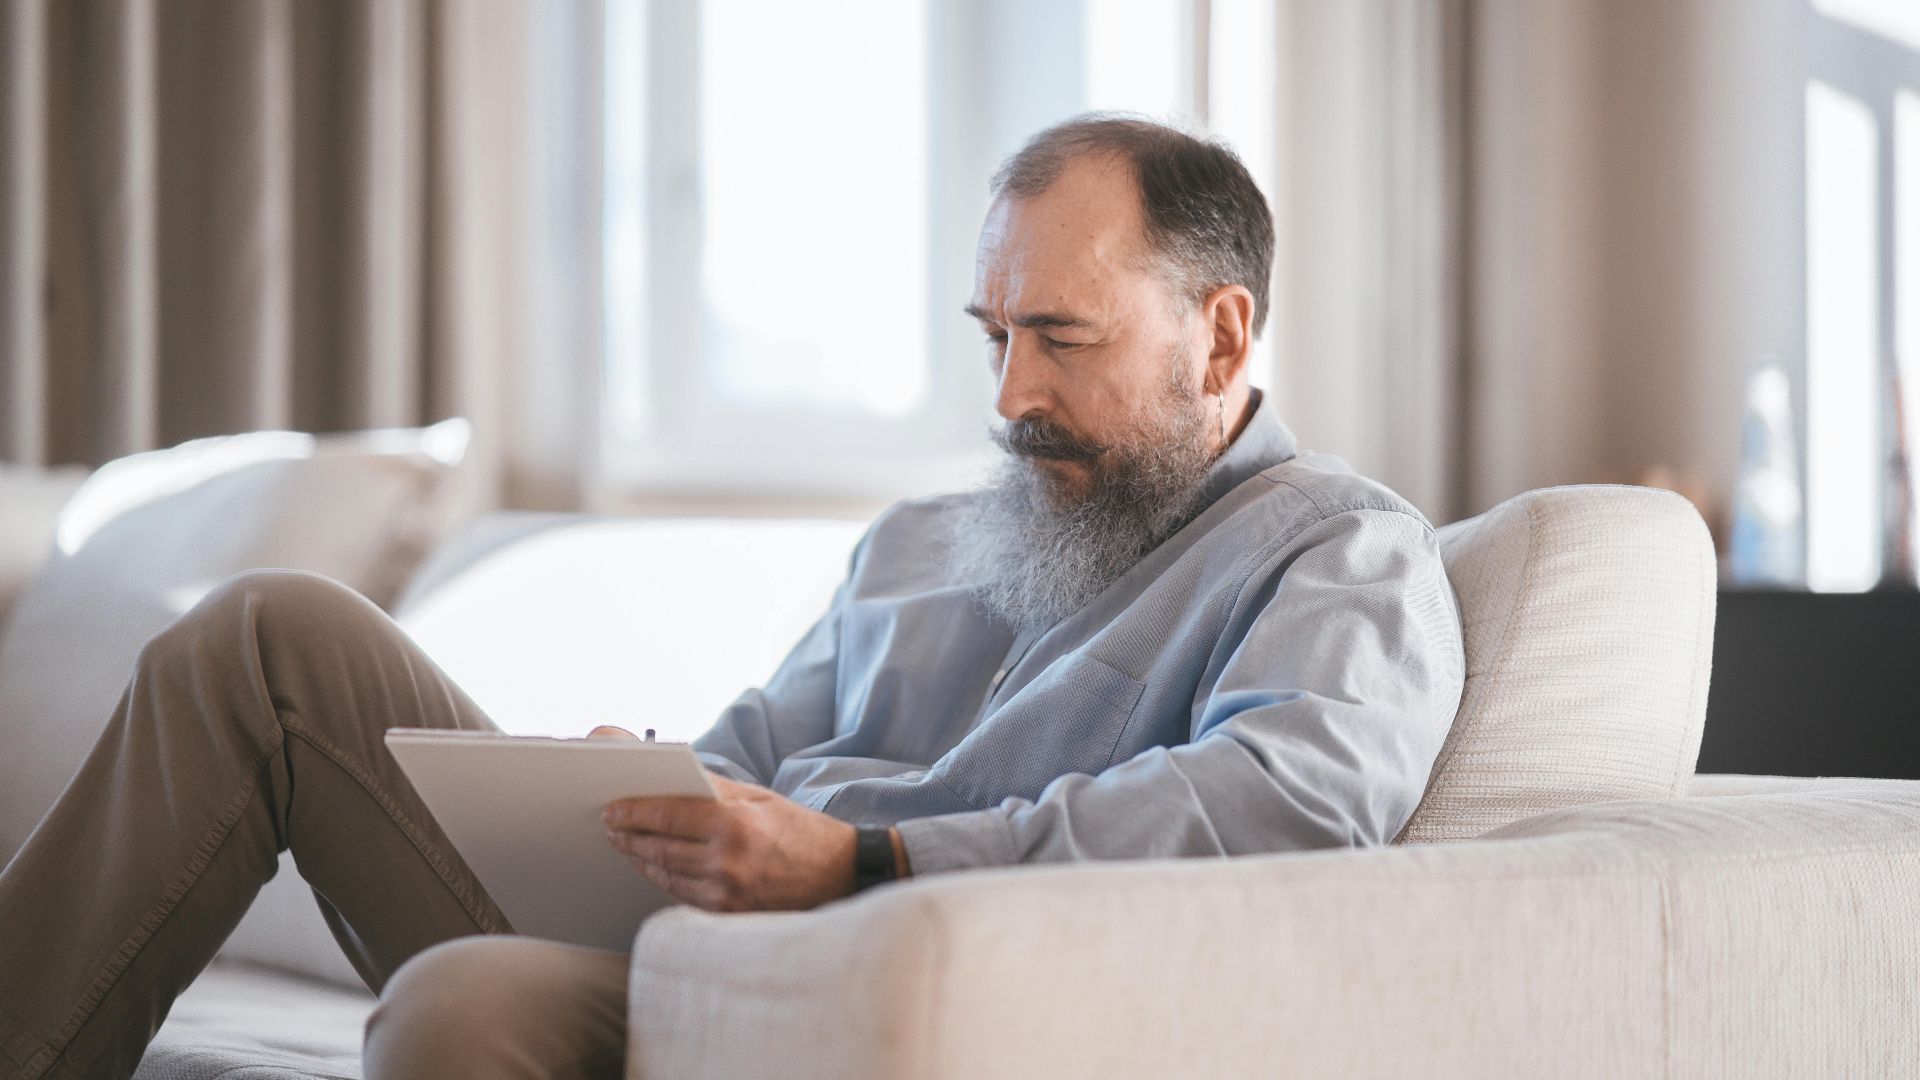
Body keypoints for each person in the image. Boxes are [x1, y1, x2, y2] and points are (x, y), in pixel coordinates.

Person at [0, 114, 1464, 1080]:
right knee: (270, 637)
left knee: (463, 1013)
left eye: (1062, 338)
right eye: (994, 333)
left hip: (860, 994)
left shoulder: (1339, 555)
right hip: (678, 929)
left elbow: (1285, 814)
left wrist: (867, 863)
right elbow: (755, 747)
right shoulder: (921, 542)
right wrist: (641, 790)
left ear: (1221, 338)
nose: (1012, 393)